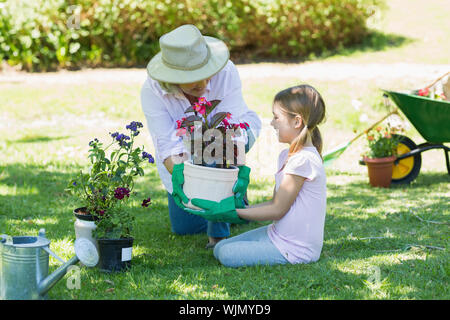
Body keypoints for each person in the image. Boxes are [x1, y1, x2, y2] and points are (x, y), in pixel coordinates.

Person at [140, 24, 261, 248]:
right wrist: (190, 179)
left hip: (230, 139)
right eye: (194, 78)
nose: (205, 83)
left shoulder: (226, 72)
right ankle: (232, 203)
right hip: (187, 157)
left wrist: (222, 173)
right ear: (173, 76)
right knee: (185, 228)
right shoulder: (152, 91)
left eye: (206, 73)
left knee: (217, 146)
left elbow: (232, 130)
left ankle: (221, 227)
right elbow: (168, 148)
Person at [188, 84, 327, 267]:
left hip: (296, 249)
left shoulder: (303, 160)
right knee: (220, 247)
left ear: (297, 121)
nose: (272, 122)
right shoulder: (287, 156)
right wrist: (236, 207)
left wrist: (234, 212)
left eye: (277, 117)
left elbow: (278, 210)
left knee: (227, 254)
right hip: (277, 234)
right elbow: (273, 202)